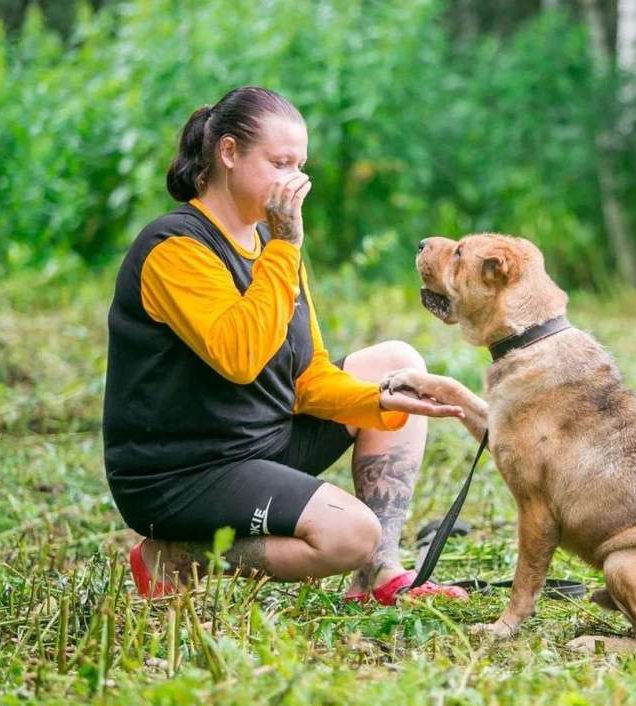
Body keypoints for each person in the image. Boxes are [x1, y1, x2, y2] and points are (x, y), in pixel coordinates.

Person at [102, 86, 468, 605]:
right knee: (348, 534)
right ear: (228, 153)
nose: (295, 182)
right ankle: (177, 555)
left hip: (259, 442)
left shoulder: (271, 246)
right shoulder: (176, 249)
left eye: (300, 166)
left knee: (397, 364)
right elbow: (239, 359)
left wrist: (380, 401)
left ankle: (379, 574)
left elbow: (307, 376)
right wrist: (285, 247)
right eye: (280, 163)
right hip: (187, 473)